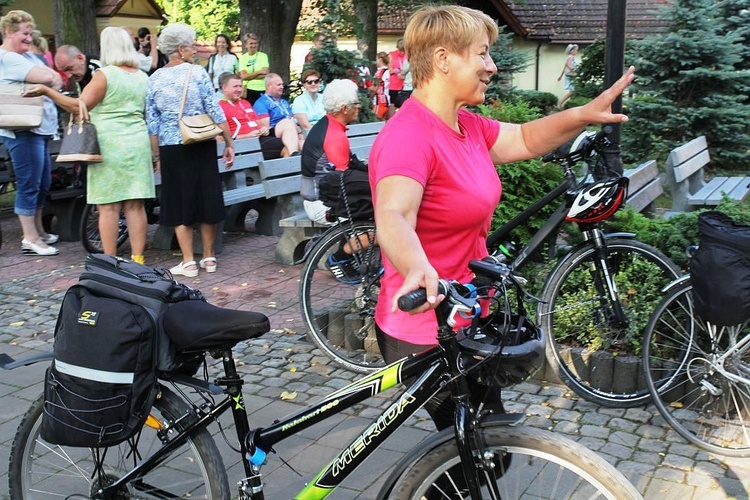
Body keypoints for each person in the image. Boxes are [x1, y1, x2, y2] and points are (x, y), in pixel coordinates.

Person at [369, 5, 634, 430]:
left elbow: (526, 137)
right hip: (423, 323)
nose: (491, 66)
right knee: (472, 455)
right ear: (442, 58)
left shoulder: (466, 127)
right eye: (482, 54)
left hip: (466, 314)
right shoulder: (409, 136)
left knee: (483, 450)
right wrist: (417, 268)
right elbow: (393, 213)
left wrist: (582, 114)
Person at [25, 27, 156, 264]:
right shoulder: (141, 76)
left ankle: (110, 262)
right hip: (137, 143)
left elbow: (79, 106)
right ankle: (138, 260)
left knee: (108, 207)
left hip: (109, 145)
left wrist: (47, 91)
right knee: (135, 206)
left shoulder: (104, 75)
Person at [146, 23, 235, 277]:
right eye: (193, 45)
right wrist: (228, 142)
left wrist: (156, 157)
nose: (195, 50)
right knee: (207, 198)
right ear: (181, 49)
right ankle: (209, 257)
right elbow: (215, 111)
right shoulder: (197, 73)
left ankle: (188, 261)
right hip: (200, 141)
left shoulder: (154, 79)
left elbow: (152, 124)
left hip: (171, 147)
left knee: (178, 202)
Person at [0, 10, 64, 256]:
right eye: (24, 34)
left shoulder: (25, 56)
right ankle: (29, 237)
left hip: (38, 128)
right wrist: (51, 78)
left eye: (30, 33)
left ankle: (38, 231)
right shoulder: (9, 58)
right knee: (29, 183)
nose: (29, 38)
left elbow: (55, 78)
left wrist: (52, 78)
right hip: (22, 129)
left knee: (42, 182)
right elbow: (46, 76)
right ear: (8, 31)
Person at [301, 79, 372, 283]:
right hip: (320, 204)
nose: (359, 108)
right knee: (382, 222)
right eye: (356, 105)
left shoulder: (330, 126)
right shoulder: (334, 135)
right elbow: (343, 182)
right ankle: (340, 257)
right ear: (344, 108)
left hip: (321, 195)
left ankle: (347, 252)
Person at [217, 72, 286, 159]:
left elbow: (259, 124)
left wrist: (264, 129)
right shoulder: (219, 107)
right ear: (224, 88)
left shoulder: (245, 102)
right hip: (243, 145)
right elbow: (220, 138)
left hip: (260, 138)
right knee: (285, 144)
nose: (239, 90)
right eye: (235, 86)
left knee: (293, 142)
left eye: (240, 86)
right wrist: (247, 136)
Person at [253, 73, 303, 155]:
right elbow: (266, 128)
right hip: (272, 135)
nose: (282, 87)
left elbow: (292, 120)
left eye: (282, 84)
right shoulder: (261, 103)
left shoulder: (284, 102)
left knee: (304, 145)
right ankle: (293, 154)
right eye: (278, 85)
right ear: (269, 86)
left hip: (290, 133)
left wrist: (299, 133)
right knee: (287, 123)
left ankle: (292, 159)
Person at [238, 33, 268, 104]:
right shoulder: (242, 58)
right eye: (251, 43)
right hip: (248, 90)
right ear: (246, 45)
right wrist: (259, 72)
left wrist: (249, 75)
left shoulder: (263, 56)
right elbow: (243, 76)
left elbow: (265, 74)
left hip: (262, 88)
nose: (253, 45)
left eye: (255, 43)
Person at [387, 38, 406, 118]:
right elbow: (389, 70)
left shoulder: (408, 55)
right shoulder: (391, 55)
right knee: (393, 104)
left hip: (405, 84)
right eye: (400, 50)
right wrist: (396, 70)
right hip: (394, 84)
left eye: (403, 50)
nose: (402, 53)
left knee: (404, 104)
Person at [558, 43, 579, 110]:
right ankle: (560, 103)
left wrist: (561, 76)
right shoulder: (571, 57)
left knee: (573, 91)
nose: (577, 51)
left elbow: (565, 66)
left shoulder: (569, 57)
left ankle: (571, 105)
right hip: (571, 76)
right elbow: (569, 65)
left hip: (569, 75)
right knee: (572, 92)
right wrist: (575, 72)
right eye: (575, 50)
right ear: (571, 51)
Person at [372, 52, 390, 119]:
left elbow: (375, 86)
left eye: (376, 59)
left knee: (375, 121)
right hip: (386, 100)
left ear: (380, 59)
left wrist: (370, 97)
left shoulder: (380, 72)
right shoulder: (387, 71)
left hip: (379, 100)